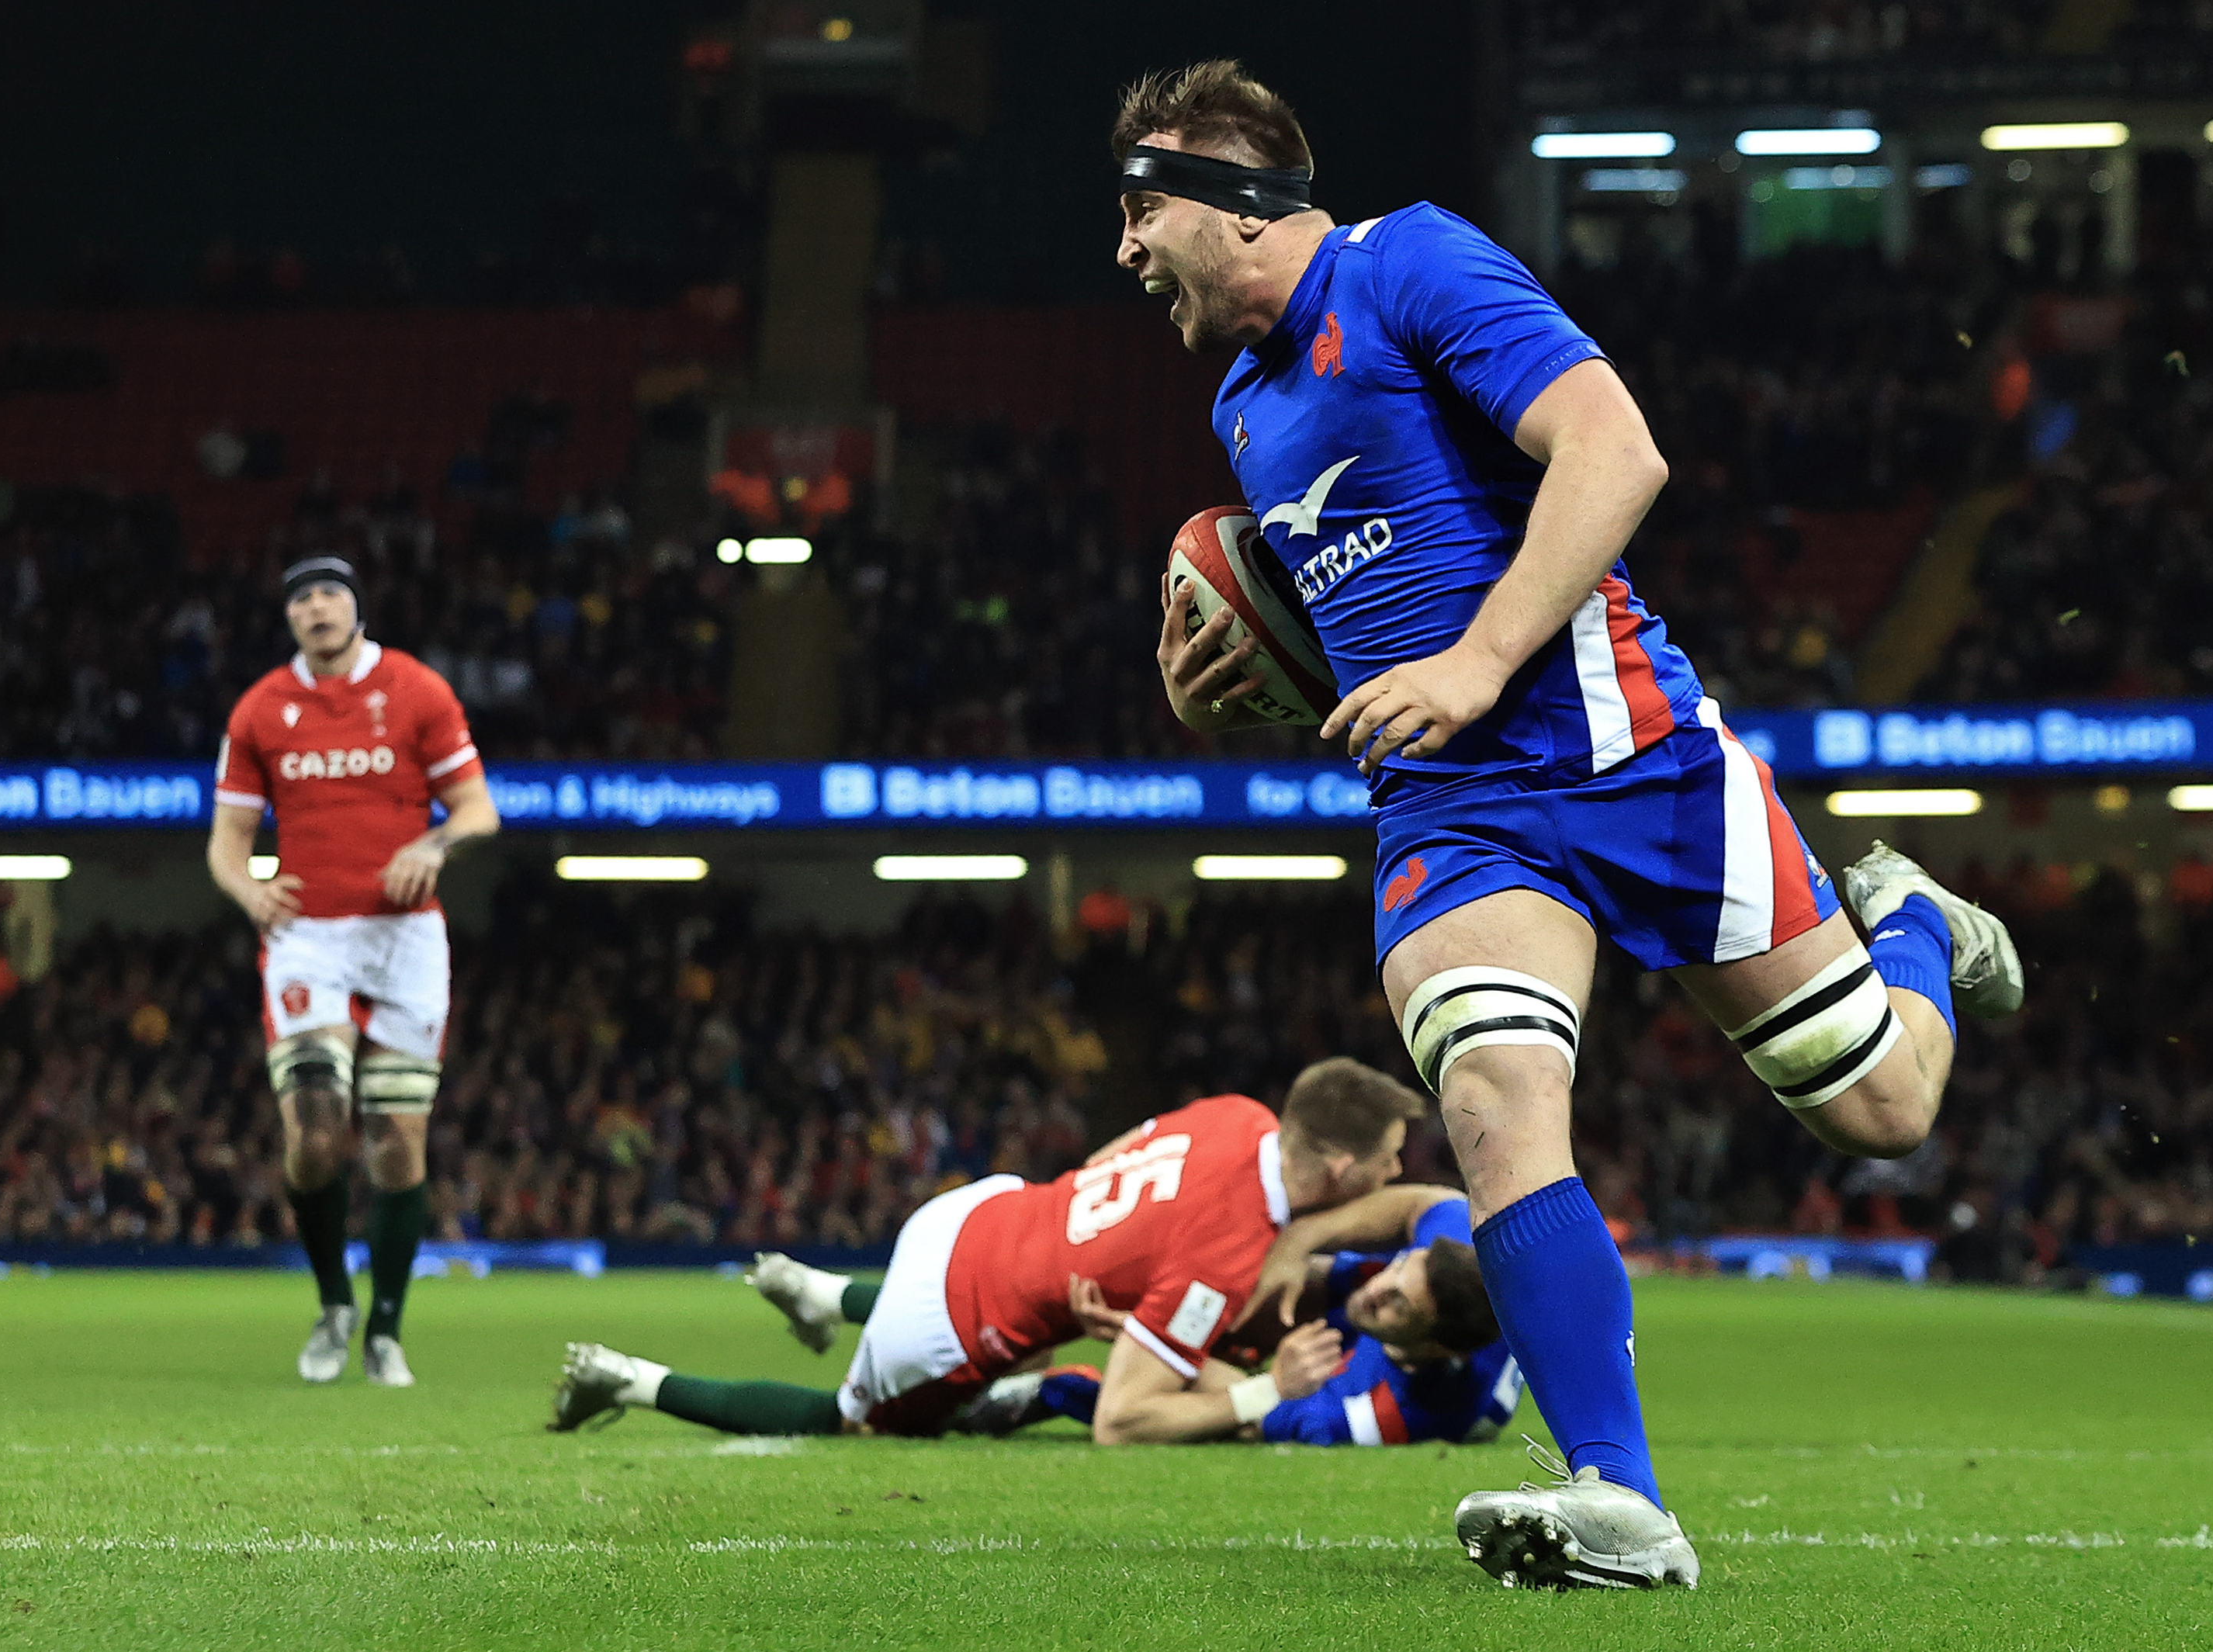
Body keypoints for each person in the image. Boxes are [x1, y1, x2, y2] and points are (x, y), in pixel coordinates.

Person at [1114, 62, 2023, 1588]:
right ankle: (1620, 1493)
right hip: (1456, 813)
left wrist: (1477, 661)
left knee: (1883, 1114)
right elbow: (1353, 624)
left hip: (1637, 757)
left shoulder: (1406, 259)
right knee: (1489, 1104)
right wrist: (1227, 695)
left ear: (1236, 192)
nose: (1126, 248)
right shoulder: (1240, 405)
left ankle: (1915, 922)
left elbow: (1616, 449)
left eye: (1143, 208)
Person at [549, 1060, 1422, 1439]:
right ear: (1341, 1168)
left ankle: (818, 1291)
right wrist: (1273, 1389)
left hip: (978, 1209)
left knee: (1034, 1321)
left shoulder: (1239, 1113)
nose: (1395, 1170)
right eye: (1387, 1158)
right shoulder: (1224, 1253)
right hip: (945, 1318)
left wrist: (1117, 1255)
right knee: (847, 1421)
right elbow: (1123, 1420)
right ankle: (626, 1376)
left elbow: (1109, 1158)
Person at [208, 556, 498, 1387]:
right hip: (308, 937)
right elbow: (227, 843)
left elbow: (479, 807)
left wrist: (432, 841)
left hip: (405, 939)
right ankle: (335, 1300)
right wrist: (248, 888)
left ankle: (386, 1328)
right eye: (300, 597)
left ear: (357, 610)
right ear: (290, 618)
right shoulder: (262, 708)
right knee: (316, 1123)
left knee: (399, 1143)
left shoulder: (417, 690)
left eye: (331, 593)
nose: (316, 607)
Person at [1023, 1188, 1522, 1449]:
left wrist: (1152, 1336)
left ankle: (1058, 1387)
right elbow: (1427, 1201)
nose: (1378, 1289)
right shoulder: (1459, 1245)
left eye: (1398, 1303)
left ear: (1438, 1348)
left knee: (1258, 1396)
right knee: (1294, 1267)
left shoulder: (1382, 1414)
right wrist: (1299, 1241)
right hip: (1400, 1335)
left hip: (1381, 1378)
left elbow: (1256, 1414)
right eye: (1396, 1268)